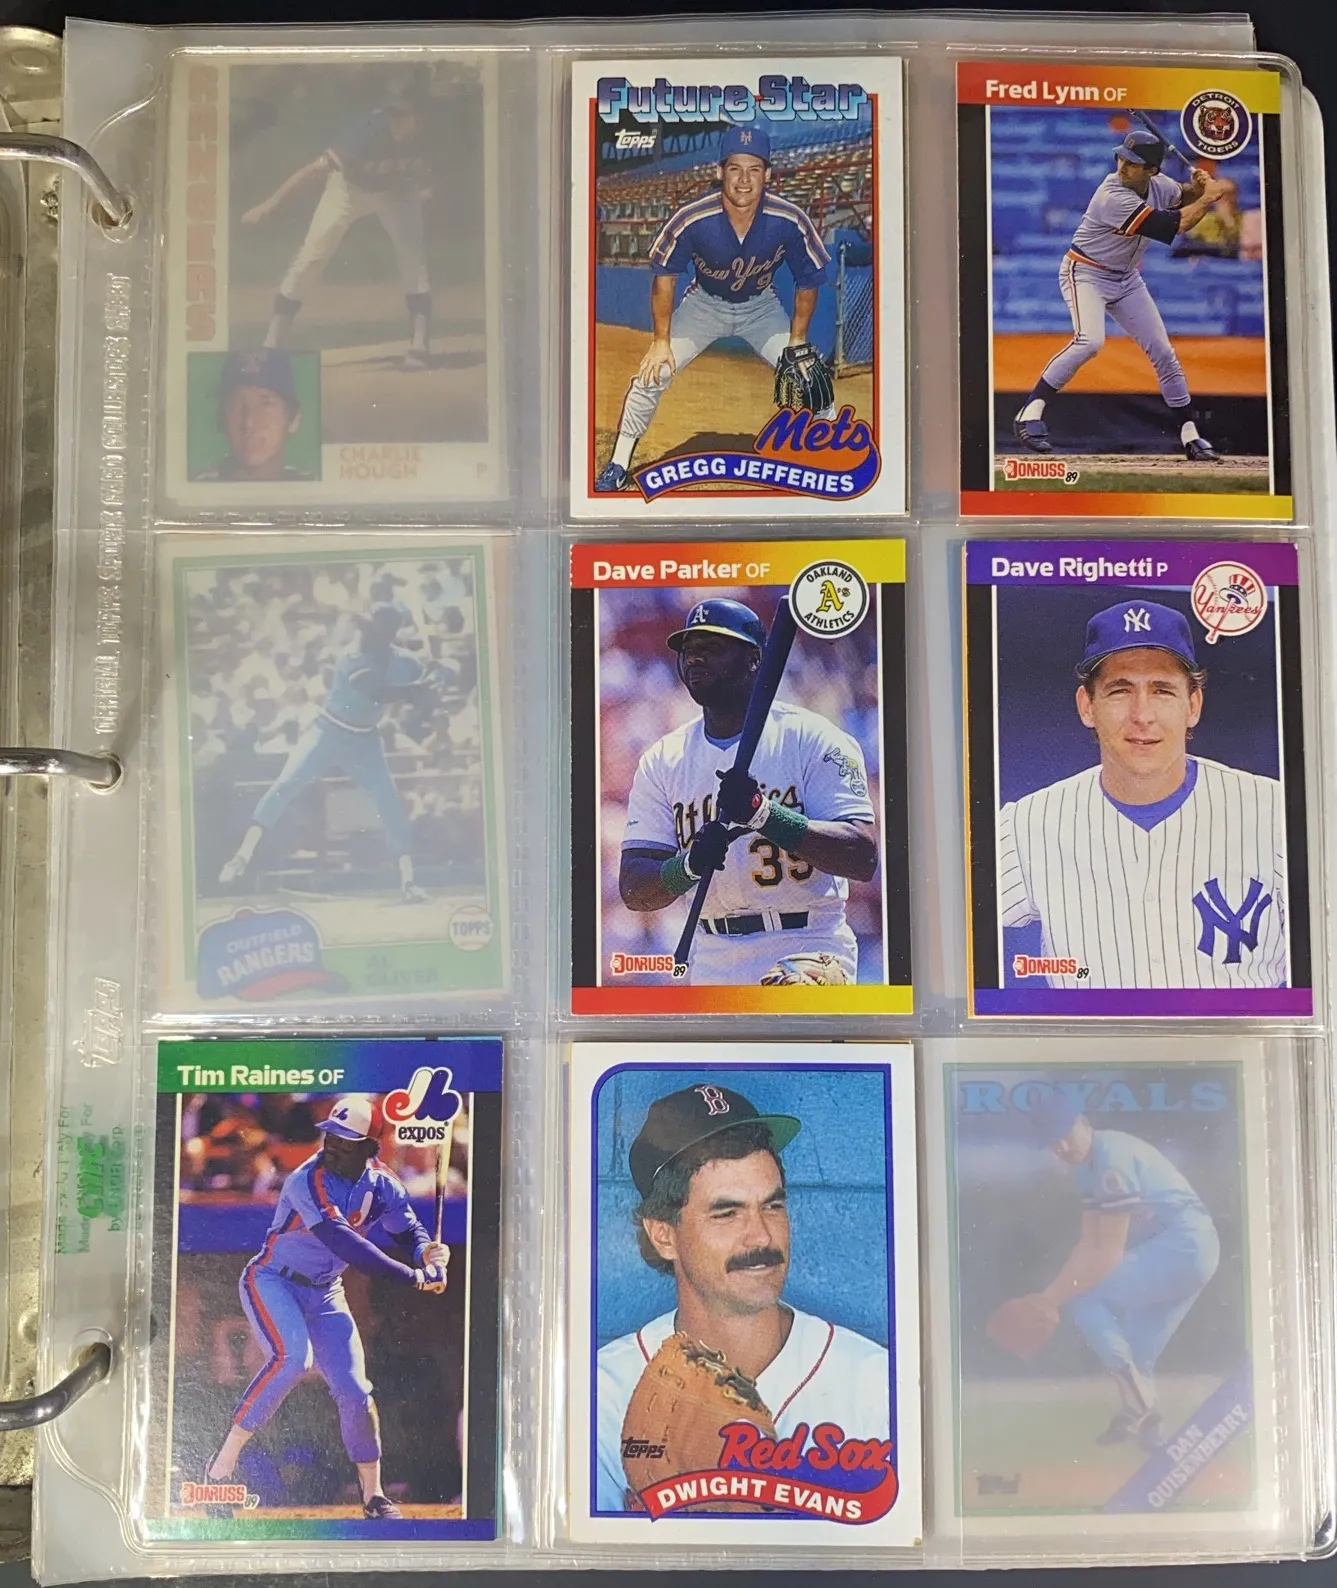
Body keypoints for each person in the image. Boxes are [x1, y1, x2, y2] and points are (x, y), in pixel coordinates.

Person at [596, 1083, 890, 1511]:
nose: (762, 1236)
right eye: (727, 1212)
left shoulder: (876, 1383)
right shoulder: (604, 1394)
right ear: (663, 1235)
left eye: (772, 1206)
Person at [998, 598, 1288, 989]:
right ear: (1087, 706)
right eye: (1120, 691)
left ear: (1193, 705)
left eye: (1162, 691)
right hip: (1091, 1030)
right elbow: (941, 922)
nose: (1142, 716)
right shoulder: (1027, 824)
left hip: (1239, 1030)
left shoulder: (1276, 813)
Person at [202, 1094, 449, 1516]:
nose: (332, 1147)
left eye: (345, 1142)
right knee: (293, 1360)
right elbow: (347, 1244)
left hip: (325, 1291)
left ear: (369, 1148)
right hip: (274, 1280)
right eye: (330, 1137)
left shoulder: (383, 1184)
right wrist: (414, 1277)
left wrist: (427, 1253)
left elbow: (407, 1229)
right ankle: (220, 1470)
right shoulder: (307, 1180)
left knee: (355, 1390)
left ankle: (373, 1495)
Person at [617, 598, 878, 984]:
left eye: (712, 647)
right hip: (713, 954)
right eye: (689, 649)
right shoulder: (663, 758)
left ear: (754, 659)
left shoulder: (812, 738)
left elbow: (861, 856)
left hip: (807, 941)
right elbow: (635, 887)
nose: (695, 658)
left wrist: (764, 814)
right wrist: (688, 866)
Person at [596, 126, 833, 491]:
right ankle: (618, 464)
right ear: (719, 171)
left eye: (754, 169)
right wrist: (661, 341)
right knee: (651, 374)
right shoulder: (693, 217)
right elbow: (664, 278)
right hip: (704, 306)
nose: (744, 180)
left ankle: (830, 458)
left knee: (812, 378)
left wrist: (798, 340)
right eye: (735, 168)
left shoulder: (789, 218)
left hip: (761, 308)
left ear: (768, 174)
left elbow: (809, 278)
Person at [1011, 129, 1232, 461]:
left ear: (1152, 170)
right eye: (1122, 158)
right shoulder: (1112, 195)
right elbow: (1178, 225)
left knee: (1163, 352)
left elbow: (1181, 195)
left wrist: (1199, 187)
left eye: (1133, 163)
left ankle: (1191, 436)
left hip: (1126, 278)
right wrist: (1207, 198)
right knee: (1090, 341)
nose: (1123, 166)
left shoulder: (1159, 185)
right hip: (1086, 271)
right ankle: (1029, 412)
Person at [217, 602, 452, 903]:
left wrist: (439, 674)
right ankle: (240, 858)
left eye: (377, 628)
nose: (367, 632)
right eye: (369, 626)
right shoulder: (352, 656)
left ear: (390, 632)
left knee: (390, 803)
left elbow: (431, 677)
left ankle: (408, 883)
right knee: (285, 785)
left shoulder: (403, 660)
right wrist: (419, 688)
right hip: (327, 731)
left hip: (365, 741)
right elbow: (377, 692)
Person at [1027, 1091, 1220, 1452]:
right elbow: (1089, 1244)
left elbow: (1109, 1253)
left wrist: (1052, 1297)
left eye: (1065, 1133)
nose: (1061, 1146)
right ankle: (1156, 1449)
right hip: (1186, 1250)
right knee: (1137, 1353)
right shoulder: (1087, 1169)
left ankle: (1140, 1406)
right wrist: (1048, 1295)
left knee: (1083, 1295)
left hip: (1183, 1245)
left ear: (1084, 1122)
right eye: (1052, 1141)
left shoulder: (1111, 1160)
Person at [242, 97, 433, 370]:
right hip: (348, 190)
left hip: (397, 191)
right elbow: (313, 170)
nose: (396, 121)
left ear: (416, 116)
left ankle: (420, 345)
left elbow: (433, 171)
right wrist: (270, 204)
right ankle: (271, 344)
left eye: (402, 115)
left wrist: (427, 188)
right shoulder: (367, 131)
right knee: (311, 257)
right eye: (392, 114)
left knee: (413, 258)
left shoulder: (427, 135)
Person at [195, 348, 315, 482]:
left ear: (294, 419)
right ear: (222, 417)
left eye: (266, 404)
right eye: (237, 405)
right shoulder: (196, 489)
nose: (249, 423)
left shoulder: (311, 487)